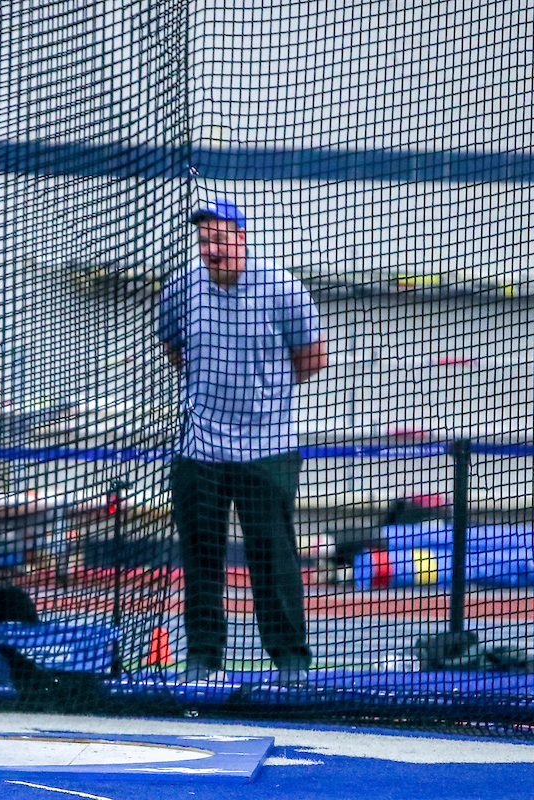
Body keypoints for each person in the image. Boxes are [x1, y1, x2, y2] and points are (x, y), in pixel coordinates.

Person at [157, 198, 328, 686]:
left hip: (267, 447)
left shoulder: (282, 288)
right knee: (201, 554)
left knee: (272, 554)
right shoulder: (182, 287)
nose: (211, 247)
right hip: (199, 448)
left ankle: (290, 659)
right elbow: (173, 347)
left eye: (220, 237)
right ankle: (202, 656)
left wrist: (264, 397)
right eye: (204, 239)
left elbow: (313, 357)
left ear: (242, 237)